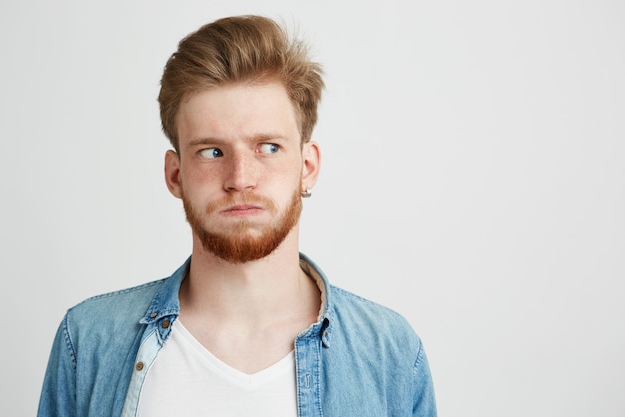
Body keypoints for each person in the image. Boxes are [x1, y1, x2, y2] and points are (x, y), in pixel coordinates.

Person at [37, 15, 437, 417]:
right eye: (211, 151)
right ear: (175, 175)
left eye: (268, 147)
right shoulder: (89, 342)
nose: (240, 179)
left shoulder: (390, 353)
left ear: (308, 166)